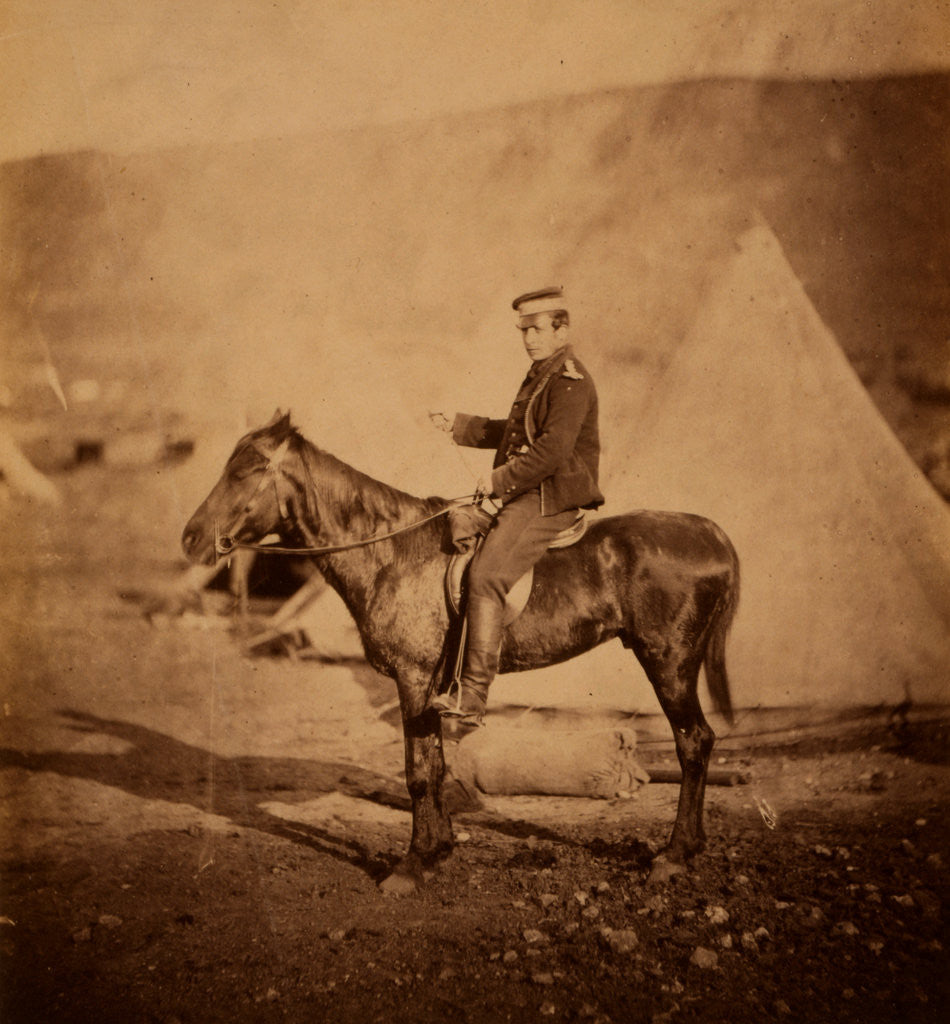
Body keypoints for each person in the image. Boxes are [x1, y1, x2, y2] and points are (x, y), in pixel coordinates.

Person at [429, 286, 604, 723]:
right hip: (528, 490)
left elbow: (552, 451)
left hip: (550, 496)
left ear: (562, 329)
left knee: (486, 576)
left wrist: (497, 480)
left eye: (537, 329)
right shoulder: (542, 373)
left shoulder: (569, 380)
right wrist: (460, 426)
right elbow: (516, 431)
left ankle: (471, 696)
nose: (528, 338)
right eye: (524, 330)